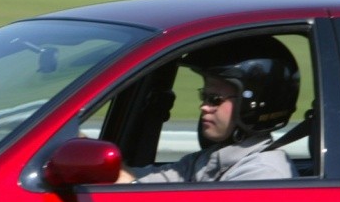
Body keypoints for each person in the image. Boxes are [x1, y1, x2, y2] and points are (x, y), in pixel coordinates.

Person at [128, 36, 300, 183]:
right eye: (204, 96)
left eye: (215, 99)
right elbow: (153, 179)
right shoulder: (208, 160)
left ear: (253, 105)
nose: (204, 106)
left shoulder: (263, 175)